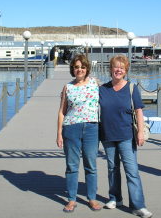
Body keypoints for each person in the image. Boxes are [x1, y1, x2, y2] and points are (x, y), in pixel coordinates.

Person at [99, 55, 153, 218]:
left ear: (125, 70)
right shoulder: (102, 88)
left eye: (122, 68)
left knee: (131, 171)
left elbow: (139, 111)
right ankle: (115, 198)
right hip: (107, 135)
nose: (118, 70)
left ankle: (138, 206)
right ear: (110, 69)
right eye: (116, 67)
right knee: (112, 168)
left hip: (126, 135)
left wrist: (140, 132)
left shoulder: (131, 88)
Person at [56, 54, 102, 212]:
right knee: (71, 166)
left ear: (87, 68)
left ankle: (92, 198)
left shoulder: (95, 83)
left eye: (82, 67)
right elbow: (62, 112)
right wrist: (59, 133)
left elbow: (109, 99)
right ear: (73, 69)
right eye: (76, 67)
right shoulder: (67, 87)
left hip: (91, 128)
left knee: (91, 165)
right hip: (71, 128)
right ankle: (71, 199)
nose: (80, 70)